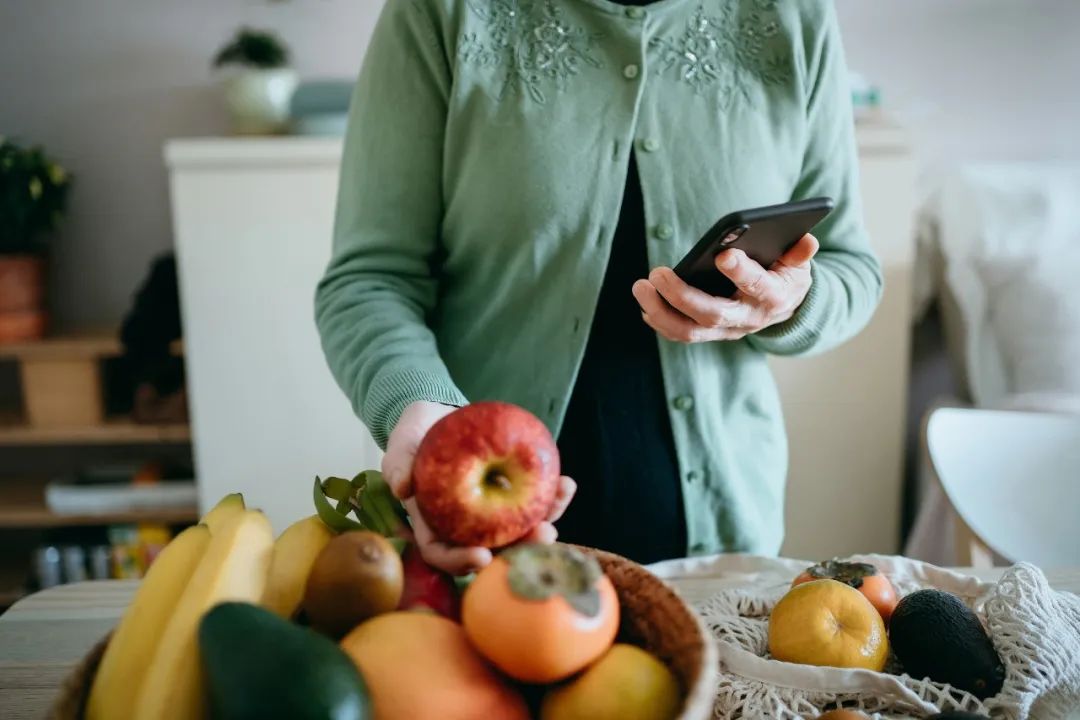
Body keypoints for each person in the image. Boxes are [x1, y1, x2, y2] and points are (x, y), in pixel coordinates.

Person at [316, 0, 882, 574]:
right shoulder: (441, 12)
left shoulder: (794, 14)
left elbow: (851, 266)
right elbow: (370, 279)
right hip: (482, 539)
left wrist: (789, 302)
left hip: (725, 539)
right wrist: (420, 406)